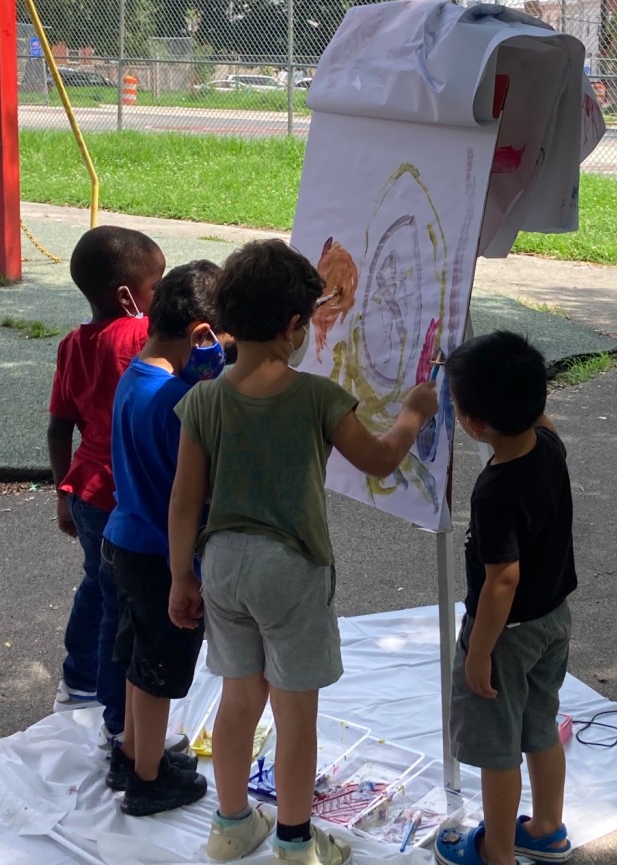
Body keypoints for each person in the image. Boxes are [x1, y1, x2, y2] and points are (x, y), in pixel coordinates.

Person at [167, 239, 438, 864]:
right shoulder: (316, 396)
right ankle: (294, 841)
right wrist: (412, 414)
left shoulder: (203, 399)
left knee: (238, 700)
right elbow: (377, 459)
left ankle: (232, 824)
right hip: (290, 567)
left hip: (224, 563)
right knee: (295, 715)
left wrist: (182, 576)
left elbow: (184, 502)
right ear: (294, 325)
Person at [433, 331, 577, 865]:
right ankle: (546, 827)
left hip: (506, 635)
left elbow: (502, 580)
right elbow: (531, 411)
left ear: (471, 425)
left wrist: (477, 651)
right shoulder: (549, 444)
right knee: (541, 726)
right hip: (553, 620)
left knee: (497, 750)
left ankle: (496, 854)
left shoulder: (495, 491)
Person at [102, 260, 231, 816]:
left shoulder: (138, 374)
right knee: (158, 673)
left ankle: (133, 753)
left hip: (125, 537)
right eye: (228, 335)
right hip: (162, 553)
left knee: (137, 658)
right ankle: (148, 782)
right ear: (203, 333)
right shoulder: (182, 401)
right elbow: (197, 487)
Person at [47, 225, 166, 750]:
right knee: (123, 599)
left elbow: (58, 426)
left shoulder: (72, 344)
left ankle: (76, 679)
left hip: (85, 489)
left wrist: (61, 493)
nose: (159, 298)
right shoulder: (139, 338)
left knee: (97, 583)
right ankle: (112, 699)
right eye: (156, 287)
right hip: (126, 493)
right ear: (127, 296)